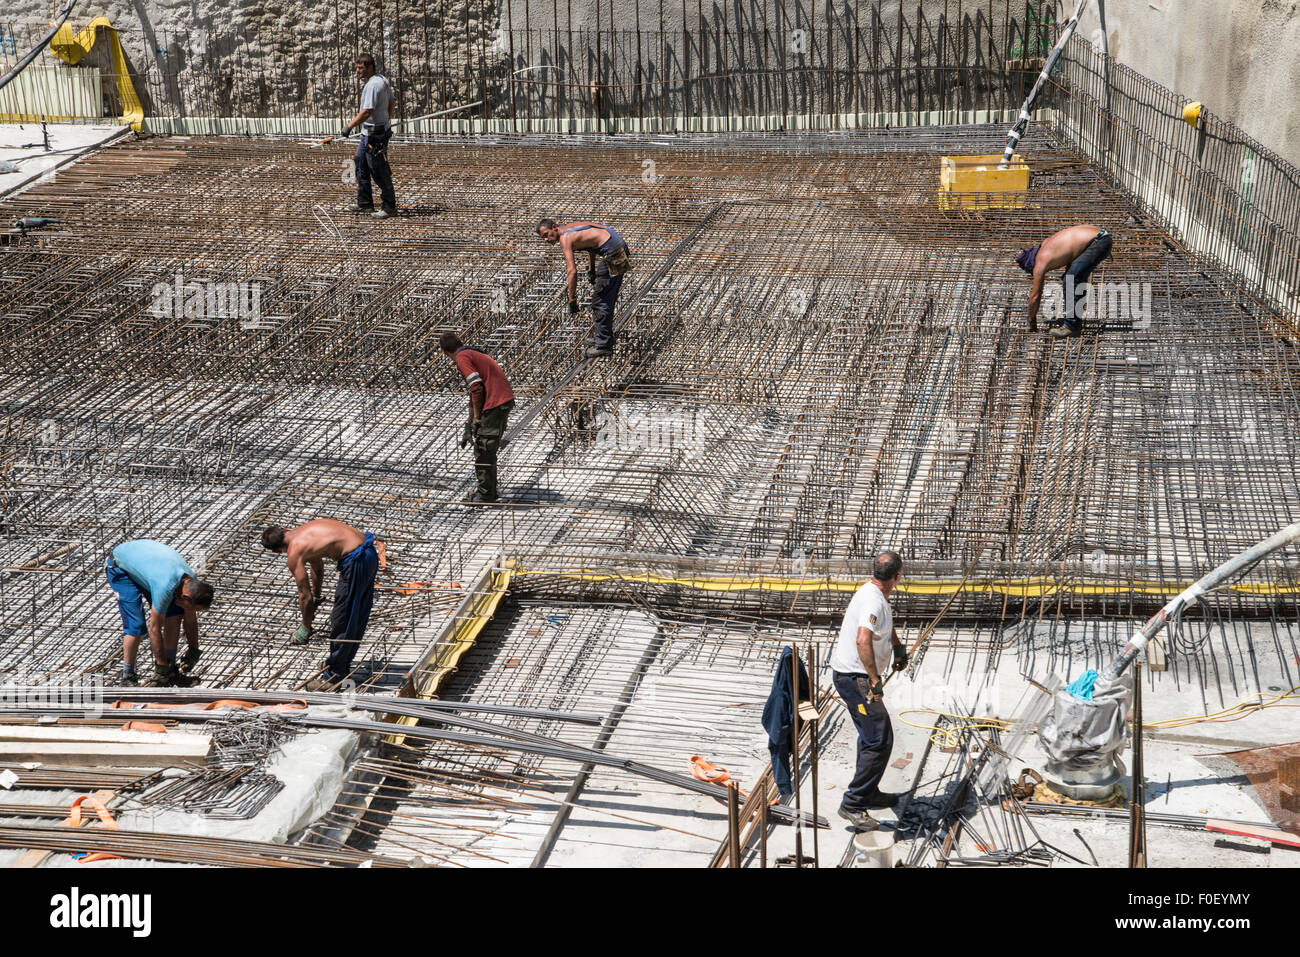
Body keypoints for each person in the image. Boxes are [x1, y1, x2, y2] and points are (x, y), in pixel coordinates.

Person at [830, 551, 909, 831]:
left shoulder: (873, 592)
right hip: (855, 680)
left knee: (871, 736)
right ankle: (853, 804)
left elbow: (882, 629)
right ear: (897, 576)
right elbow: (863, 639)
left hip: (855, 677)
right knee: (878, 740)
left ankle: (867, 791)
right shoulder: (873, 601)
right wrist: (874, 679)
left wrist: (898, 648)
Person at [261, 520, 386, 691]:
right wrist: (318, 597)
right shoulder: (306, 531)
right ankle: (340, 663)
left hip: (356, 560)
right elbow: (318, 568)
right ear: (284, 529)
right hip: (368, 551)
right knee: (355, 613)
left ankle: (334, 676)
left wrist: (305, 627)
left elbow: (304, 595)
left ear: (276, 551)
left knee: (342, 619)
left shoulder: (293, 553)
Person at [105, 539, 214, 687]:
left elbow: (190, 620)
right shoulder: (165, 587)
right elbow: (154, 629)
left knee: (175, 615)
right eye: (192, 607)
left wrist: (194, 650)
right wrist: (160, 666)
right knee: (136, 626)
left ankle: (171, 669)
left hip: (147, 564)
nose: (191, 611)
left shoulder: (191, 583)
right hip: (121, 568)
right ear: (185, 597)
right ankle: (128, 676)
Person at [536, 218, 632, 357]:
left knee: (601, 301)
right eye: (542, 238)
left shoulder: (565, 238)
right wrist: (591, 268)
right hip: (616, 246)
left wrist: (571, 298)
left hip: (614, 253)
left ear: (555, 228)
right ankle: (603, 336)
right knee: (604, 295)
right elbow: (591, 245)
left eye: (546, 234)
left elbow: (572, 271)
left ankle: (603, 344)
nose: (545, 239)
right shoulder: (571, 228)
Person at [441, 331, 515, 504]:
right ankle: (489, 490)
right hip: (500, 401)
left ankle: (486, 495)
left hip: (495, 403)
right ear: (462, 341)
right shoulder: (473, 352)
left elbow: (476, 387)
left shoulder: (462, 358)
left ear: (445, 353)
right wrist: (470, 423)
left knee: (484, 450)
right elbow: (474, 393)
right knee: (486, 448)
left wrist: (476, 418)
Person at [1016, 224, 1113, 338]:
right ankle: (1075, 318)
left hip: (1098, 242)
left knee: (1071, 279)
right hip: (1100, 237)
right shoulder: (1046, 244)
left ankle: (1072, 326)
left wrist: (1031, 320)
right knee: (1072, 277)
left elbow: (1035, 296)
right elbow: (1071, 252)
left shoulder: (1039, 263)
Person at [342, 53, 397, 219]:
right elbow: (392, 102)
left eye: (361, 68)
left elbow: (367, 112)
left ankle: (389, 206)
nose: (357, 71)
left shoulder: (373, 86)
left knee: (378, 169)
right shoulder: (382, 80)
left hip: (375, 135)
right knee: (360, 164)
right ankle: (364, 203)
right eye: (357, 67)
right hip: (370, 132)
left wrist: (349, 127)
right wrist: (387, 118)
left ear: (370, 67)